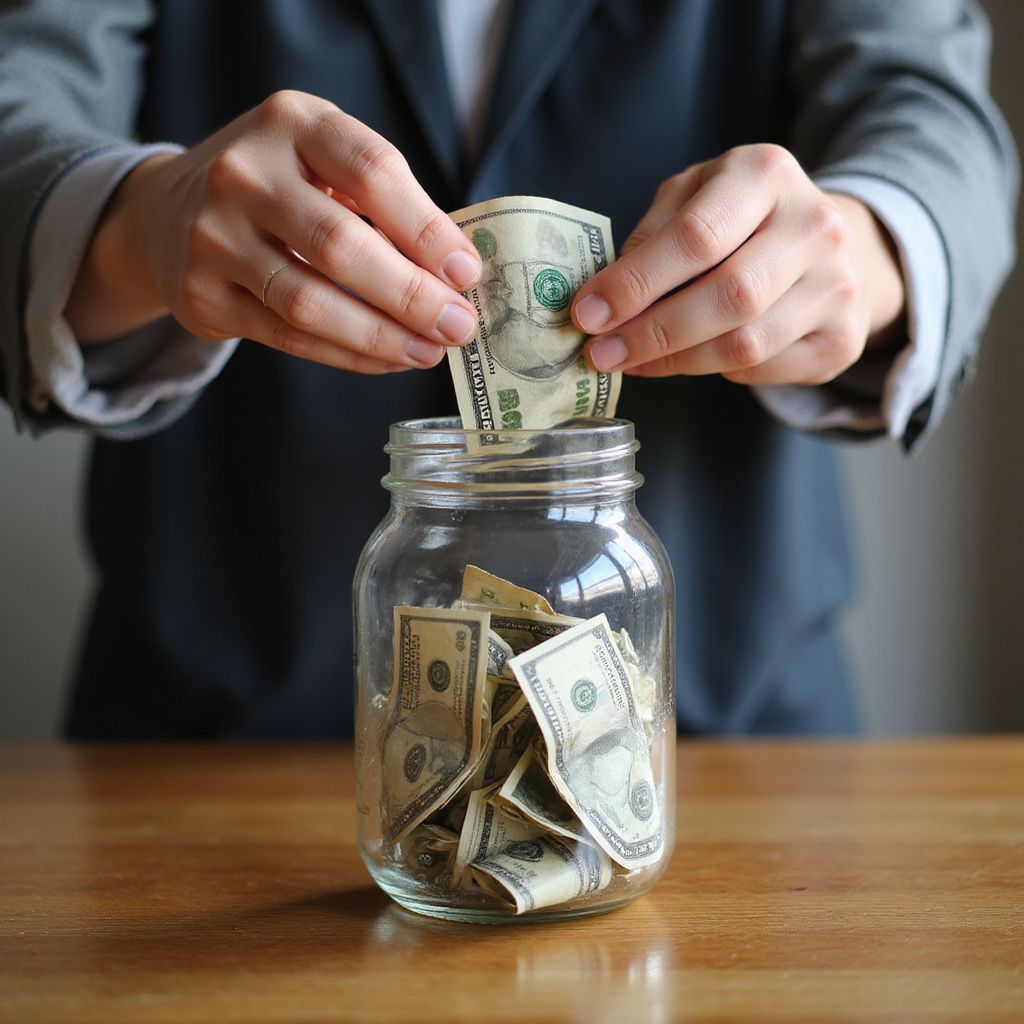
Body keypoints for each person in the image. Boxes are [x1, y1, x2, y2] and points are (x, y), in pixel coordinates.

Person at [0, 0, 1016, 738]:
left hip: (722, 729)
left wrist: (872, 241)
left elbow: (928, 108)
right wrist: (137, 222)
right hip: (214, 737)